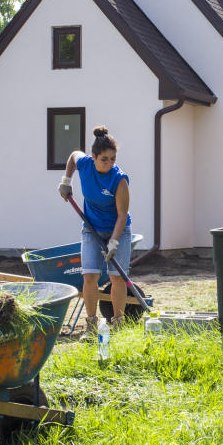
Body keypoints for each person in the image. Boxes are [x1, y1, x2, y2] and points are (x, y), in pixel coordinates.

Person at [59, 126, 133, 334]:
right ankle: (91, 325)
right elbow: (74, 156)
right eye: (104, 159)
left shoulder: (119, 180)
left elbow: (122, 215)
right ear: (93, 157)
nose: (109, 163)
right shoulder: (85, 165)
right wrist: (66, 181)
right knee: (89, 277)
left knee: (116, 278)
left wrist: (114, 243)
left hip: (118, 231)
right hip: (91, 230)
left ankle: (118, 324)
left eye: (113, 159)